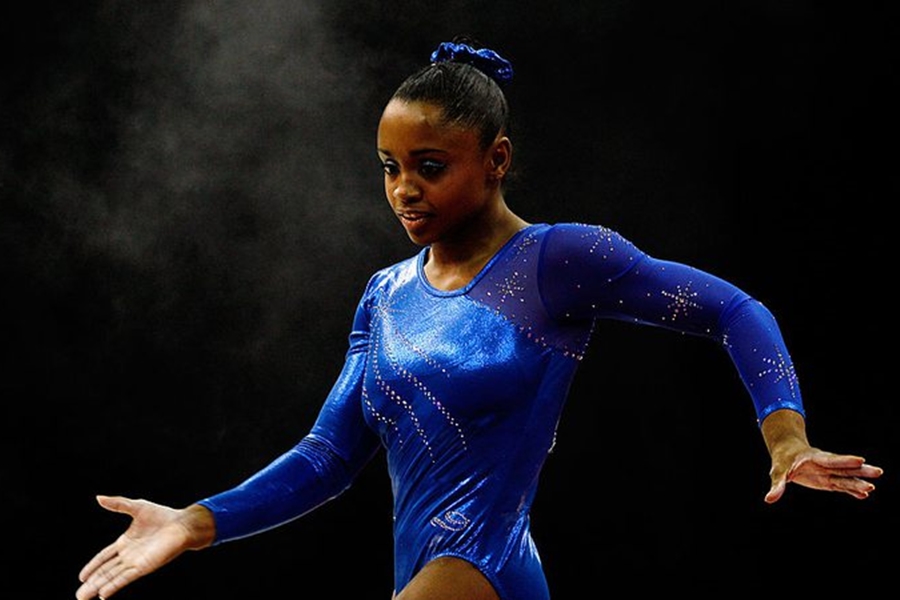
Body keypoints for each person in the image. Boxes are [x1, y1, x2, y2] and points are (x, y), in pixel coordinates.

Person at [75, 36, 883, 600]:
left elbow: (732, 308)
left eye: (430, 168)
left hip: (478, 561)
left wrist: (786, 438)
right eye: (390, 169)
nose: (403, 191)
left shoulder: (558, 262)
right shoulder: (385, 294)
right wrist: (195, 521)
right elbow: (327, 457)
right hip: (456, 575)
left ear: (495, 159)